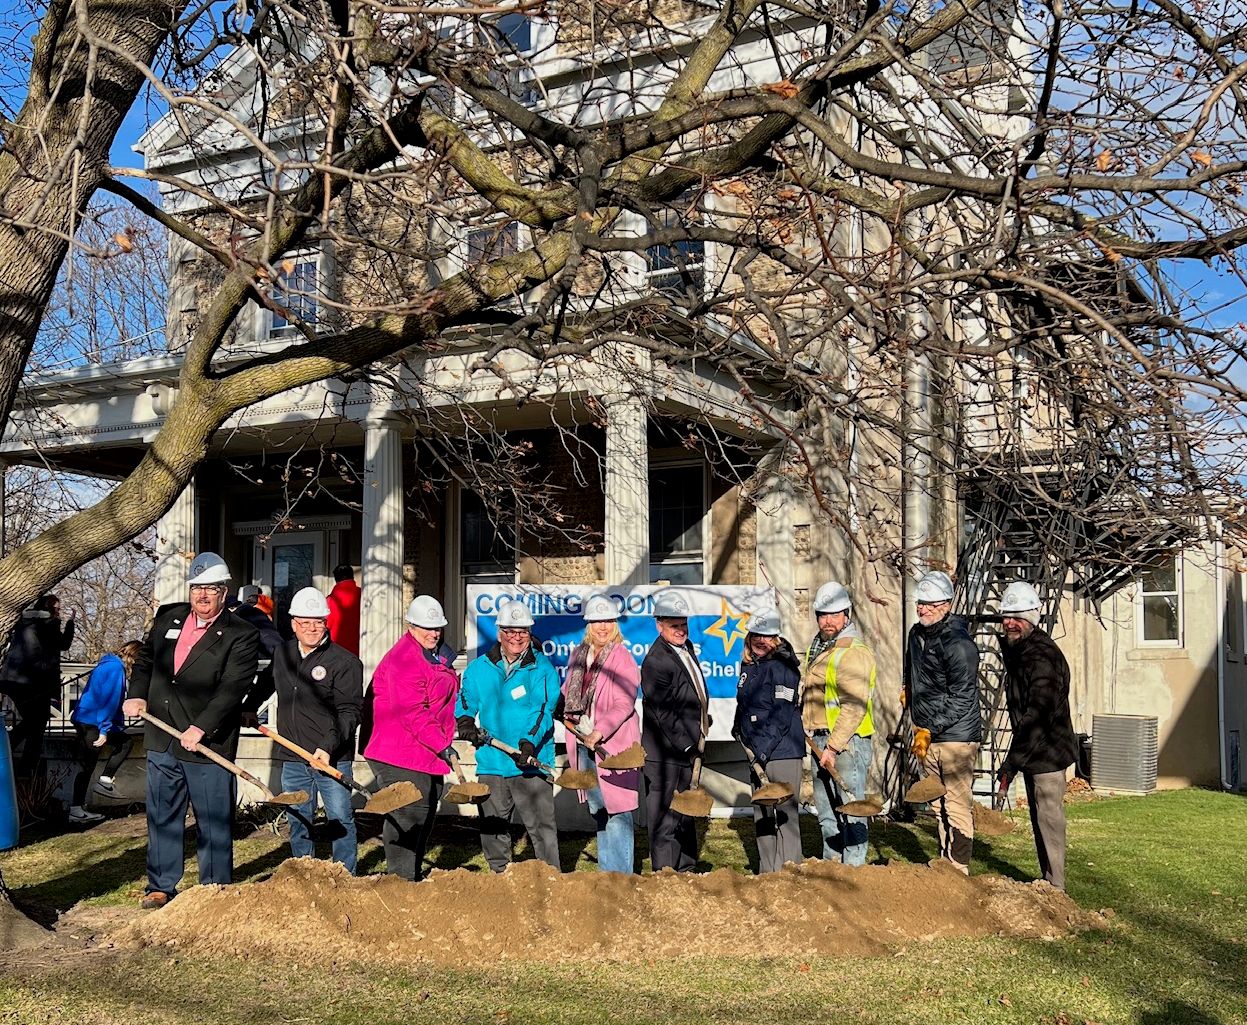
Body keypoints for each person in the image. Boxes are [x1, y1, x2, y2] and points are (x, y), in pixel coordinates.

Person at [123, 552, 261, 909]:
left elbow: (233, 687)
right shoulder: (168, 616)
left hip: (206, 744)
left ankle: (214, 891)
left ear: (224, 591)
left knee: (213, 820)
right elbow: (147, 661)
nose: (202, 595)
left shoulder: (241, 634)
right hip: (162, 738)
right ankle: (161, 884)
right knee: (162, 814)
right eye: (197, 587)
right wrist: (136, 695)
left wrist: (201, 727)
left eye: (211, 589)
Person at [259, 587, 363, 873]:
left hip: (331, 757)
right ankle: (304, 877)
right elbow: (268, 683)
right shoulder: (283, 653)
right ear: (293, 624)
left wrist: (327, 748)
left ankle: (345, 879)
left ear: (326, 623)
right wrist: (249, 707)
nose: (312, 628)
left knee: (340, 820)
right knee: (298, 819)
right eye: (305, 622)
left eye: (318, 622)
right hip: (293, 756)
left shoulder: (345, 662)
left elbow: (350, 712)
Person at [456, 602, 561, 873]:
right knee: (493, 827)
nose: (517, 637)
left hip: (531, 760)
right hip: (493, 761)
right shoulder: (479, 668)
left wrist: (528, 742)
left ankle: (551, 882)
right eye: (510, 631)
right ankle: (499, 880)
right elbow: (466, 698)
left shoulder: (542, 669)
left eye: (522, 631)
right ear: (499, 632)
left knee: (541, 829)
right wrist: (465, 720)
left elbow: (543, 709)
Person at [362, 594, 458, 881]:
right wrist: (443, 745)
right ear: (410, 626)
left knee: (425, 813)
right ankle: (401, 883)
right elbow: (413, 711)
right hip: (397, 749)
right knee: (409, 813)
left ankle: (411, 879)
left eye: (437, 628)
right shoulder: (404, 659)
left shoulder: (438, 655)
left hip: (425, 746)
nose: (433, 633)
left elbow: (444, 698)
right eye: (426, 627)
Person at [997, 581, 1077, 890]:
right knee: (1040, 819)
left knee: (1048, 818)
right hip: (1034, 748)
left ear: (1033, 617)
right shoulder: (1021, 650)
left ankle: (1056, 886)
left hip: (1048, 752)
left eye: (1018, 617)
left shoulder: (1042, 657)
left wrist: (1011, 762)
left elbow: (1037, 716)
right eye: (1006, 616)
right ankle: (1048, 880)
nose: (1011, 623)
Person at [903, 570, 981, 875]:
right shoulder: (916, 634)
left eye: (930, 604)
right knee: (936, 803)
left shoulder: (958, 644)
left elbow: (962, 698)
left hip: (955, 736)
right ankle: (943, 865)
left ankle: (958, 867)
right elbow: (910, 669)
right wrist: (905, 689)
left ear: (946, 605)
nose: (923, 608)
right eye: (921, 602)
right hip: (927, 732)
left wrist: (929, 729)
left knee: (956, 804)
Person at [561, 593, 641, 874]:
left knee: (618, 811)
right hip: (585, 744)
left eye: (607, 620)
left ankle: (621, 878)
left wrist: (600, 731)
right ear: (588, 626)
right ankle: (608, 874)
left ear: (615, 624)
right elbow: (568, 692)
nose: (602, 627)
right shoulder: (578, 655)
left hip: (612, 747)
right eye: (597, 621)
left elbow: (624, 702)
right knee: (600, 810)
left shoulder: (623, 659)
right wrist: (561, 710)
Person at [800, 581, 877, 866]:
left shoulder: (853, 651)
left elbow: (854, 707)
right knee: (827, 813)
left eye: (834, 614)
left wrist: (832, 747)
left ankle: (853, 875)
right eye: (822, 614)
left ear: (847, 614)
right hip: (820, 741)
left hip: (846, 744)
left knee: (851, 810)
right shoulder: (820, 647)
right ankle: (832, 872)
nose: (828, 621)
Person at [640, 589, 709, 872]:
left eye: (683, 624)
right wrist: (687, 745)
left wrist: (704, 721)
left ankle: (686, 869)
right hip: (667, 754)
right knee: (666, 818)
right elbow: (663, 711)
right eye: (674, 626)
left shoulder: (685, 649)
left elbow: (689, 694)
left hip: (686, 750)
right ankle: (667, 875)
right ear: (659, 626)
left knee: (685, 814)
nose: (681, 630)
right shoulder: (657, 661)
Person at [733, 606, 804, 873]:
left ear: (775, 638)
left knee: (785, 815)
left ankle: (790, 873)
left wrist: (761, 753)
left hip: (782, 751)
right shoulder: (749, 666)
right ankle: (767, 875)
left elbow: (781, 715)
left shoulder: (784, 667)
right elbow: (745, 705)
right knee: (762, 815)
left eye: (766, 636)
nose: (760, 641)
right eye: (755, 635)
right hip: (756, 752)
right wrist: (737, 728)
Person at [0, 593, 75, 781]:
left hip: (13, 680)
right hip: (34, 683)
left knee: (33, 721)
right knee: (38, 722)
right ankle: (25, 767)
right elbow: (63, 644)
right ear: (50, 609)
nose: (59, 612)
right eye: (57, 609)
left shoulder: (22, 622)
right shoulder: (49, 624)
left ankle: (13, 753)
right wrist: (70, 624)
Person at [67, 640, 142, 823]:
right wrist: (104, 730)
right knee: (117, 748)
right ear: (133, 656)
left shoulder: (107, 664)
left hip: (85, 718)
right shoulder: (116, 669)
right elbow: (108, 700)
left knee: (93, 761)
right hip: (92, 721)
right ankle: (99, 787)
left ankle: (85, 801)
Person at [326, 565, 361, 655]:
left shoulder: (331, 600)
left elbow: (325, 626)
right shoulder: (362, 595)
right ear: (352, 577)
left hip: (337, 651)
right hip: (361, 650)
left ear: (336, 579)